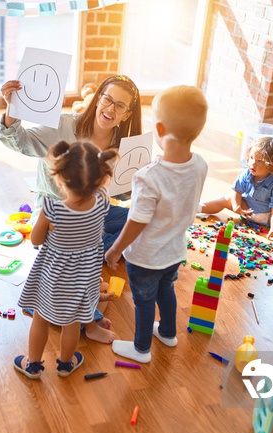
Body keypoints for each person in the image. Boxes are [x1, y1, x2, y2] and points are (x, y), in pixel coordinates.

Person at [105, 86, 209, 364]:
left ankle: (141, 350)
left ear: (160, 129)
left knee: (143, 301)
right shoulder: (200, 165)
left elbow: (136, 221)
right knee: (166, 291)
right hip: (174, 251)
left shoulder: (147, 177)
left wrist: (116, 249)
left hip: (145, 257)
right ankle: (167, 332)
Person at [0, 74, 143, 252]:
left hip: (94, 213)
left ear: (126, 115)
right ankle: (100, 249)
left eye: (120, 106)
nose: (111, 109)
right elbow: (19, 140)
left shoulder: (125, 146)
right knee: (63, 238)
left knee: (142, 221)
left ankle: (94, 250)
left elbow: (121, 195)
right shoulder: (64, 126)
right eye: (108, 100)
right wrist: (12, 108)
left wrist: (133, 184)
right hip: (56, 214)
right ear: (98, 99)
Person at [14, 141, 117, 379]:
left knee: (40, 318)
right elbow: (102, 185)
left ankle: (33, 366)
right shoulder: (102, 201)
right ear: (100, 178)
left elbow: (36, 240)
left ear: (59, 178)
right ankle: (65, 365)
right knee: (72, 322)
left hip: (53, 278)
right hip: (83, 278)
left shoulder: (52, 209)